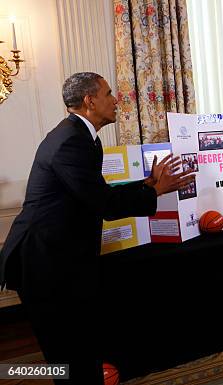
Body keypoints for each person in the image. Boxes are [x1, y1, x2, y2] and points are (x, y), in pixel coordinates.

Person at [0, 72, 195, 384]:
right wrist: (155, 191)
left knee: (78, 348)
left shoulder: (81, 136)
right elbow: (105, 205)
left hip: (59, 258)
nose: (116, 100)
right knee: (67, 352)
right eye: (108, 93)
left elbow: (96, 192)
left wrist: (146, 184)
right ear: (90, 101)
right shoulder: (71, 142)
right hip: (41, 261)